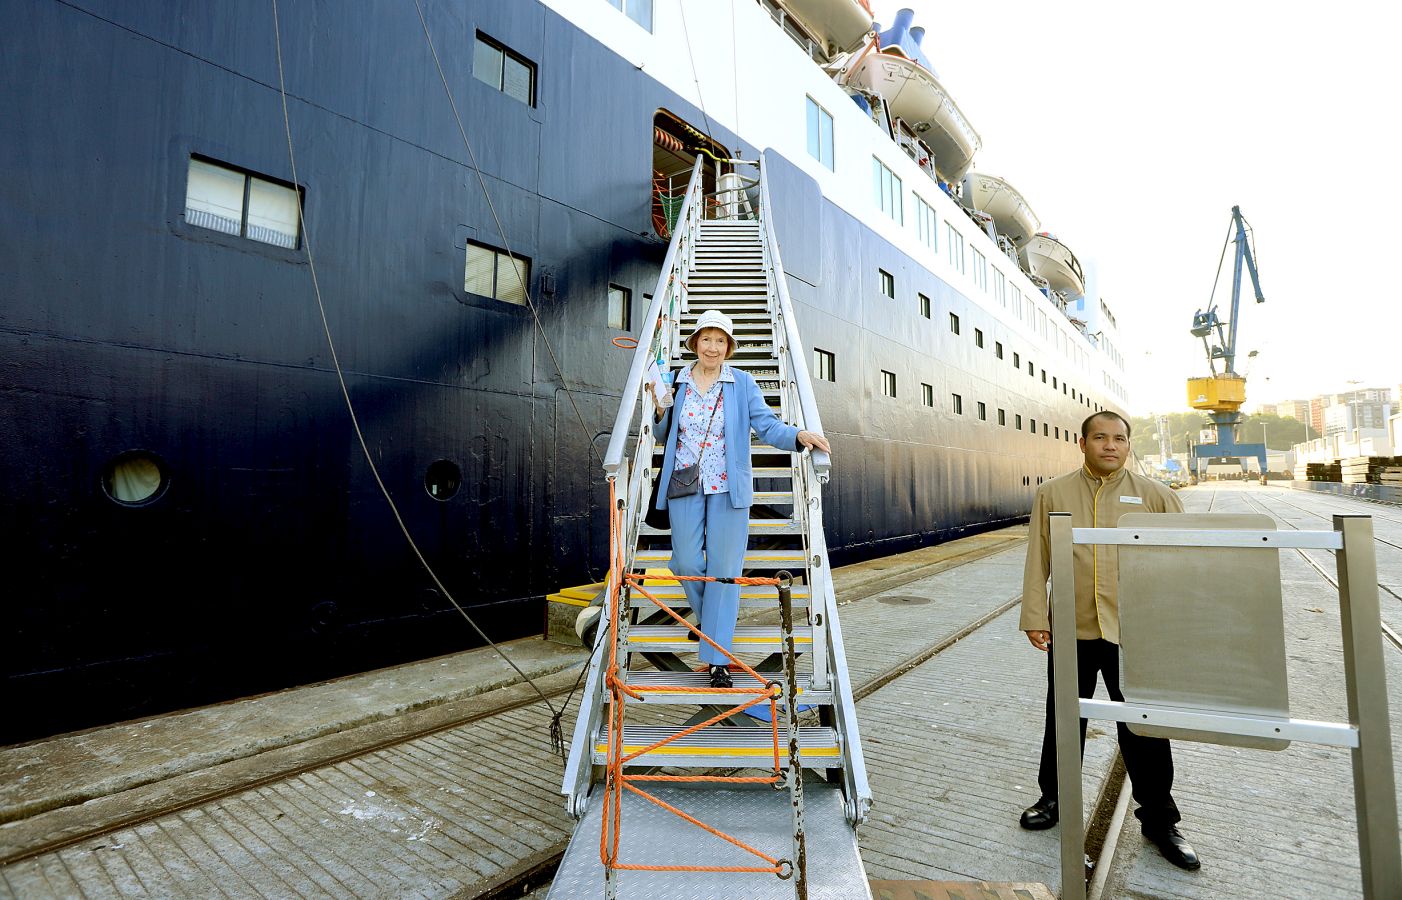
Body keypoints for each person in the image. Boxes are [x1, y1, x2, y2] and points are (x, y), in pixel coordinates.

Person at [1018, 411, 1201, 871]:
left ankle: (1160, 820)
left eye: (1119, 438)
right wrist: (1035, 616)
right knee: (1063, 717)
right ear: (1082, 443)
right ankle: (1054, 799)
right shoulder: (1052, 493)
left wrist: (1173, 625)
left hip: (1133, 631)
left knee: (1144, 727)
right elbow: (1038, 557)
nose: (1110, 446)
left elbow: (1181, 563)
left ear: (1128, 444)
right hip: (1072, 627)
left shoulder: (1158, 496)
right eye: (1100, 437)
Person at [646, 310, 830, 688]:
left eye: (720, 340)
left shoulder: (742, 383)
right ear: (694, 342)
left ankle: (718, 660)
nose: (712, 347)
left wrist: (798, 436)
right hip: (685, 482)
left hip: (729, 488)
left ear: (728, 347)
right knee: (684, 561)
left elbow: (767, 425)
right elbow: (663, 433)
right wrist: (660, 407)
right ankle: (713, 625)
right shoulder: (676, 380)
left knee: (725, 571)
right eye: (706, 339)